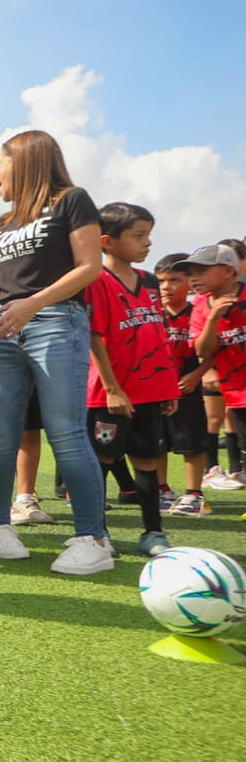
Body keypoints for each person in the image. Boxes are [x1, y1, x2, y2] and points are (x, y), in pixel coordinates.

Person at [0, 129, 111, 575]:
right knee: (0, 435)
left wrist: (32, 303)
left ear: (25, 161)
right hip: (5, 328)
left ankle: (93, 538)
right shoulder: (3, 222)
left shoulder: (72, 200)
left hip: (55, 321)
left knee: (65, 432)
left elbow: (90, 267)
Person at [84, 203, 179, 557]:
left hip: (150, 389)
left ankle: (153, 532)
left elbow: (158, 332)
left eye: (149, 235)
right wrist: (111, 389)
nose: (147, 243)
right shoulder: (95, 281)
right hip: (111, 393)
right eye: (138, 236)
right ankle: (96, 532)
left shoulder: (150, 282)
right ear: (107, 241)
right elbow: (94, 337)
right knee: (102, 462)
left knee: (147, 461)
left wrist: (167, 385)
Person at [182, 245, 246, 516]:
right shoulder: (201, 308)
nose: (194, 278)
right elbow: (203, 350)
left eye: (201, 271)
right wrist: (213, 318)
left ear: (228, 271)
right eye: (191, 273)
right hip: (236, 391)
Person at [155, 253, 210, 516]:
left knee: (192, 443)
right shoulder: (151, 313)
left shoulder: (197, 312)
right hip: (154, 389)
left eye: (174, 280)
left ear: (190, 283)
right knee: (156, 443)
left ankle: (193, 494)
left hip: (186, 387)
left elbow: (212, 350)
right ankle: (161, 489)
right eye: (161, 281)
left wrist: (197, 374)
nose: (166, 287)